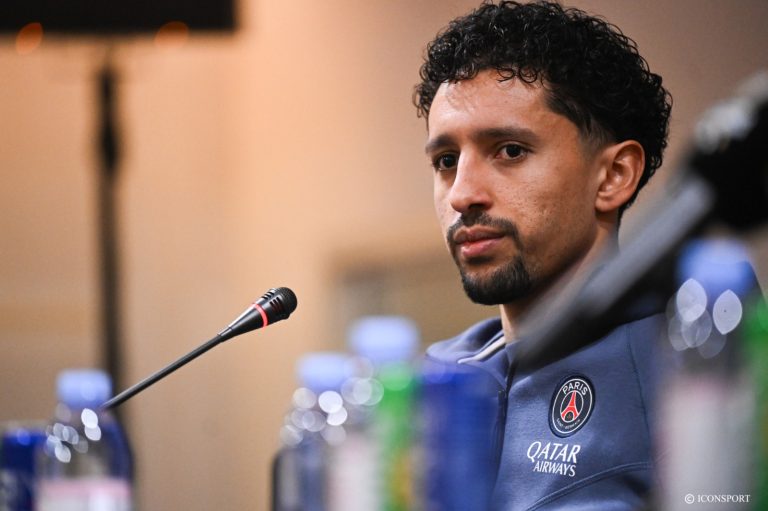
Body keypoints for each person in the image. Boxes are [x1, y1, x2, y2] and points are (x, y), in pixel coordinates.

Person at [414, 1, 672, 509]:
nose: (462, 194)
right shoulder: (430, 382)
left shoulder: (695, 377)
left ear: (614, 176)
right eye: (446, 160)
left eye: (510, 150)